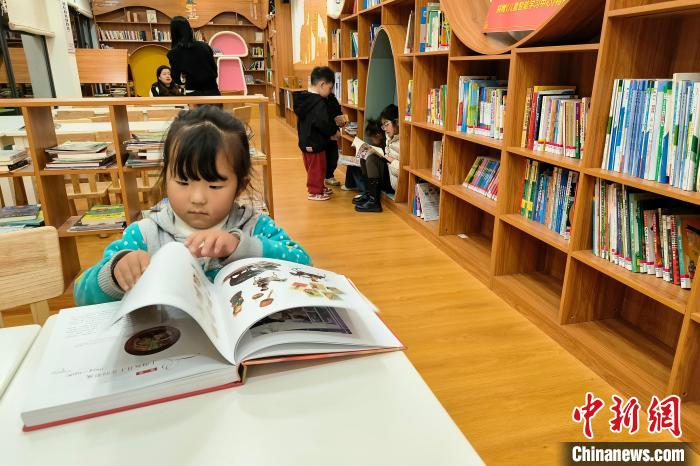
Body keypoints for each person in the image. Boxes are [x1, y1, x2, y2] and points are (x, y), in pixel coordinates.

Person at [73, 106, 310, 306]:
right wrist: (116, 273)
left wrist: (243, 247)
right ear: (166, 177)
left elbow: (304, 264)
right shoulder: (144, 235)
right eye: (183, 182)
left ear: (240, 186)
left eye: (214, 185)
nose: (197, 198)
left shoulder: (255, 227)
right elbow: (82, 295)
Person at [293, 66, 340, 201]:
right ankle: (314, 191)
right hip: (315, 141)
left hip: (306, 140)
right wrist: (333, 131)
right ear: (322, 84)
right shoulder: (318, 103)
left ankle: (319, 187)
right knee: (317, 168)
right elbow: (323, 122)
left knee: (314, 167)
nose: (330, 91)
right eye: (330, 88)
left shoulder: (304, 98)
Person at [355, 104, 400, 213]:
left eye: (386, 124)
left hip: (395, 181)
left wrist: (391, 160)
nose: (385, 129)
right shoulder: (389, 136)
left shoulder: (405, 140)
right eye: (383, 126)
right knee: (365, 155)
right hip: (388, 174)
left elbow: (403, 169)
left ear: (397, 122)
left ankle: (374, 202)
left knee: (372, 159)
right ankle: (369, 193)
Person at [167, 16, 220, 96]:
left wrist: (185, 78)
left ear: (173, 32)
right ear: (189, 29)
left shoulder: (173, 53)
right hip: (213, 91)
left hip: (193, 92)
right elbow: (214, 70)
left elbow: (176, 79)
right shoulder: (204, 46)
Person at [345, 118, 384, 196]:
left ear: (378, 135)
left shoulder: (385, 142)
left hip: (377, 169)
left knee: (358, 164)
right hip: (373, 164)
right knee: (353, 162)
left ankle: (364, 191)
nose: (372, 140)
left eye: (372, 137)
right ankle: (351, 186)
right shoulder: (380, 142)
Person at [325, 91, 345, 188]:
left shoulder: (332, 98)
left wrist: (342, 121)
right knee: (324, 157)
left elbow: (338, 113)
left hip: (333, 133)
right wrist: (332, 130)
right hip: (324, 132)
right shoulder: (318, 100)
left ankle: (329, 176)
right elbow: (323, 120)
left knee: (333, 156)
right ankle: (324, 177)